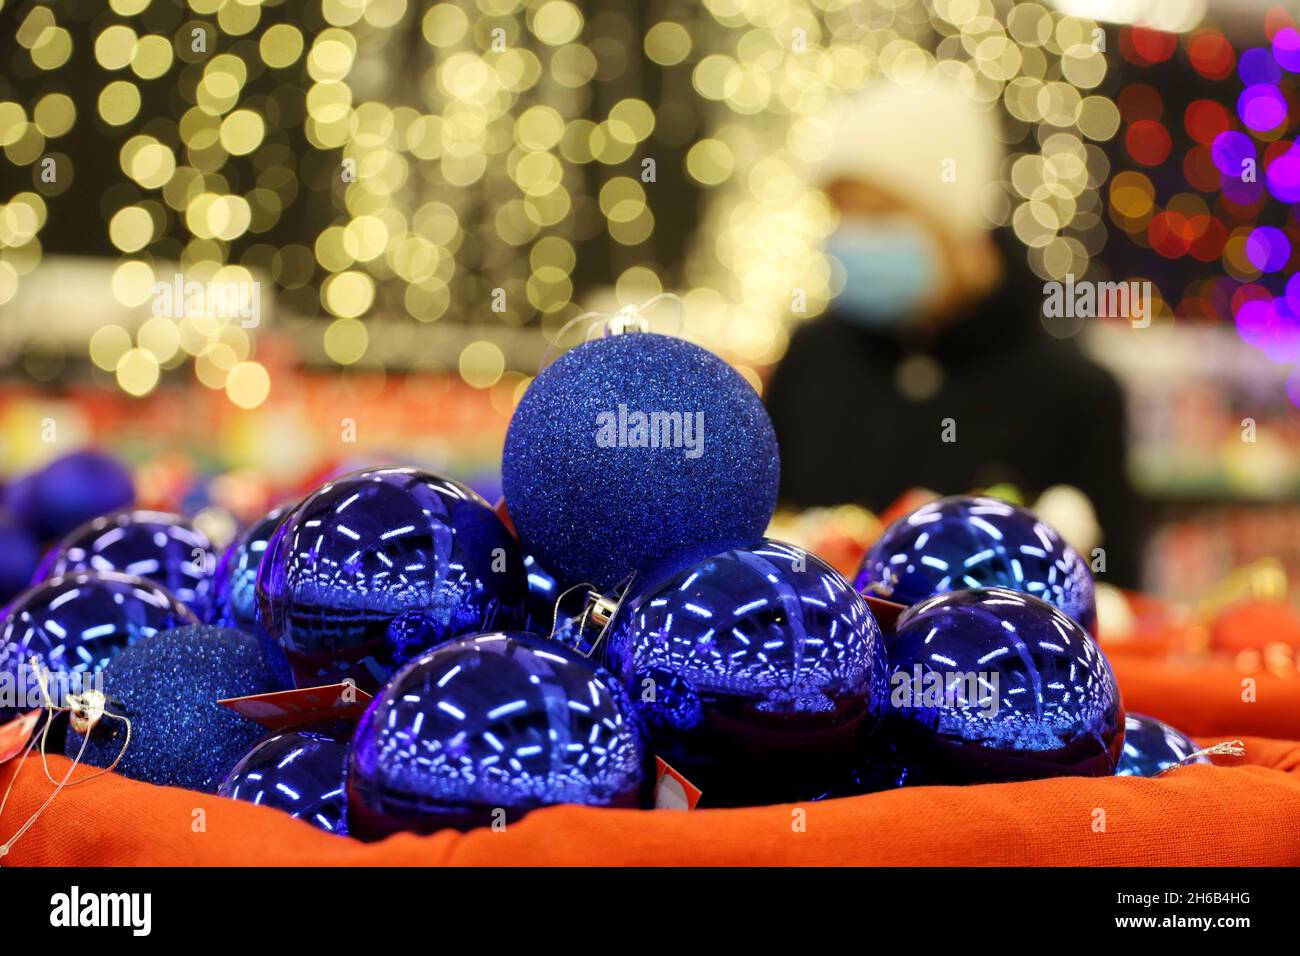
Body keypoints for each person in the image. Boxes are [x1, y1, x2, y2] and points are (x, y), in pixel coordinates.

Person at [766, 70, 1141, 586]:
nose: (853, 239)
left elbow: (1112, 604)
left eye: (880, 214)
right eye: (842, 215)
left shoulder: (1073, 395)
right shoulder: (812, 361)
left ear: (956, 221)